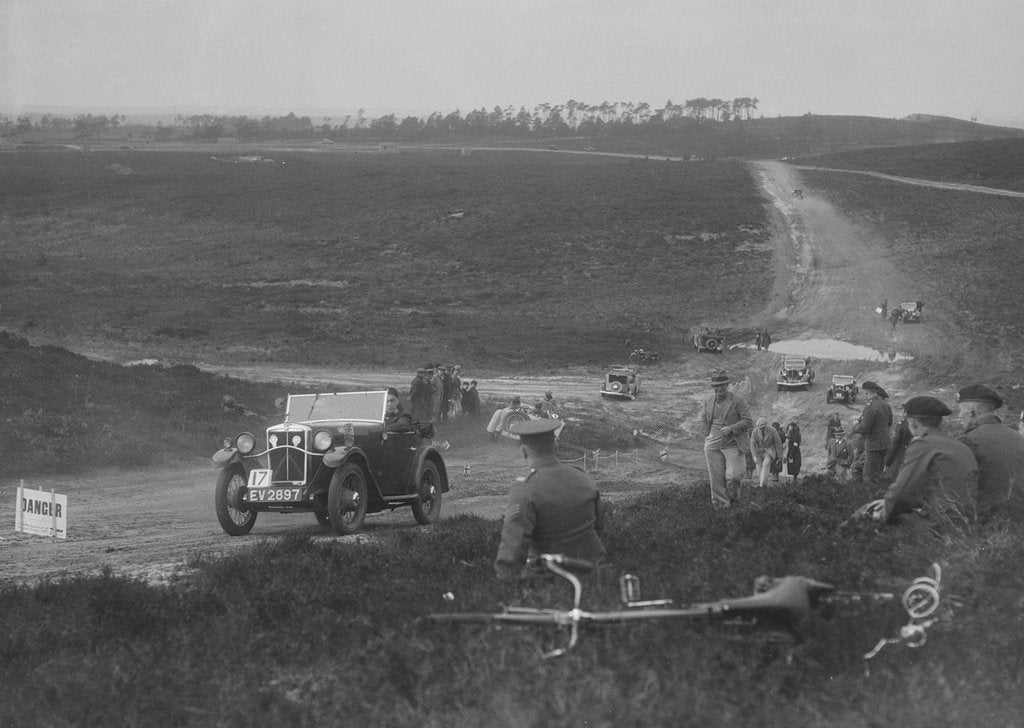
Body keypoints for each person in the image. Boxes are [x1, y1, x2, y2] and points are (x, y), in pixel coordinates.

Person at [494, 419, 606, 580]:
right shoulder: (583, 477)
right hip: (595, 570)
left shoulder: (525, 489)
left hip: (551, 576)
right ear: (556, 446)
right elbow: (599, 527)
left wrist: (504, 578)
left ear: (524, 451)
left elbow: (514, 544)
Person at [853, 396, 978, 529]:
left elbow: (902, 494)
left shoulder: (923, 445)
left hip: (939, 524)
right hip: (966, 521)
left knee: (865, 513)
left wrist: (884, 510)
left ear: (913, 422)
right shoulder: (960, 445)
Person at [956, 383, 1024, 519]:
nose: (959, 416)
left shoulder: (968, 441)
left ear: (971, 412)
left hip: (989, 521)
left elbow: (959, 491)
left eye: (960, 411)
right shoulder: (1018, 436)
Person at [701, 371, 753, 508]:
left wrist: (731, 428)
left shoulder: (738, 400)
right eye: (716, 386)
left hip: (733, 444)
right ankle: (722, 507)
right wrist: (707, 434)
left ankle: (734, 499)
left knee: (734, 476)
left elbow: (748, 421)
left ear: (727, 385)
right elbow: (703, 418)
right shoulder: (708, 401)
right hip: (713, 446)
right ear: (712, 387)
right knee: (716, 479)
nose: (719, 389)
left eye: (722, 386)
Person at [854, 381, 892, 484]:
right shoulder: (885, 405)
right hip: (885, 444)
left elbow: (864, 429)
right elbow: (889, 423)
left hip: (873, 446)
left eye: (864, 393)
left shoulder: (870, 406)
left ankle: (867, 497)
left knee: (868, 477)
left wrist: (855, 427)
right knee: (878, 475)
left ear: (867, 392)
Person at [749, 417, 783, 488]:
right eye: (760, 428)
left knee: (766, 465)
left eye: (763, 427)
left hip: (769, 451)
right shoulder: (754, 431)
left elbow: (778, 444)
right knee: (759, 471)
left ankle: (761, 487)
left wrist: (780, 456)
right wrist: (754, 456)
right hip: (759, 452)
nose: (761, 429)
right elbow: (752, 444)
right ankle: (763, 484)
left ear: (766, 425)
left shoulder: (773, 431)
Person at [885, 411, 913, 479]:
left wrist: (887, 461)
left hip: (898, 461)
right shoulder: (921, 425)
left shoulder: (902, 424)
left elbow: (894, 444)